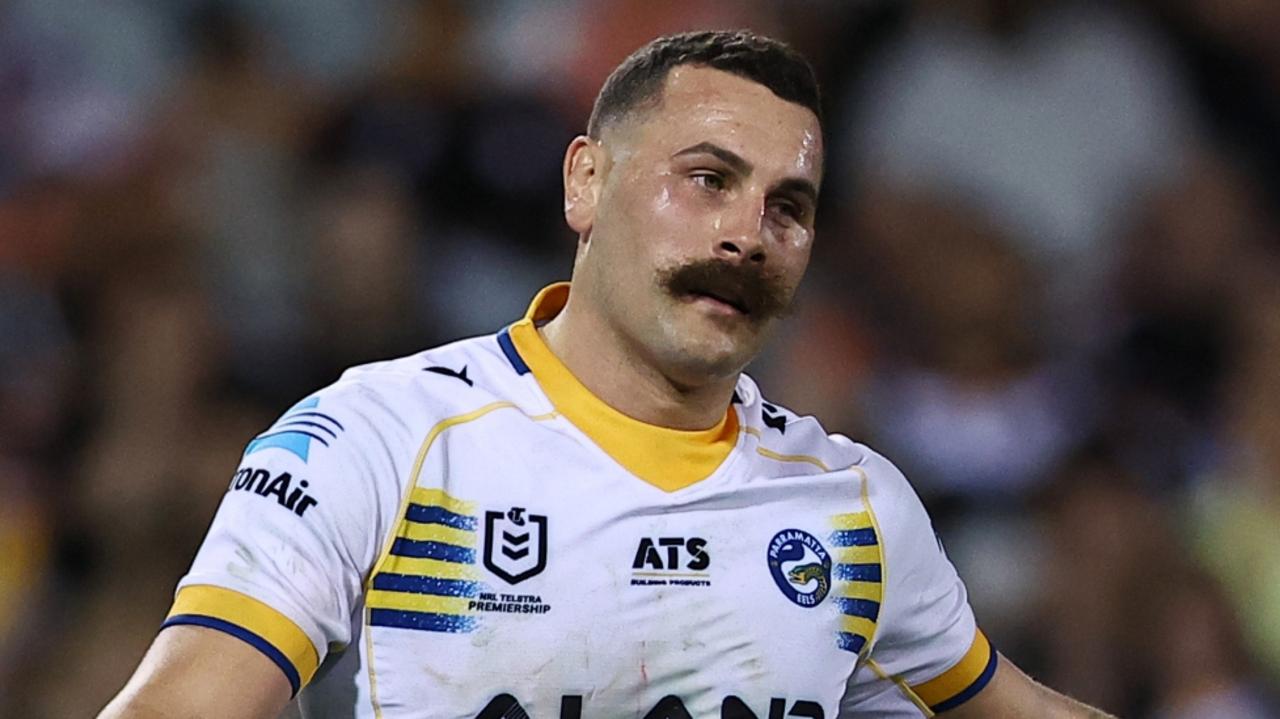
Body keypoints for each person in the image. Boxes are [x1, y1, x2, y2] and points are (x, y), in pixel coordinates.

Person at [100, 30, 1116, 718]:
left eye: (788, 207)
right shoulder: (377, 435)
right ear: (585, 180)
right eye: (707, 179)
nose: (746, 235)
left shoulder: (850, 504)